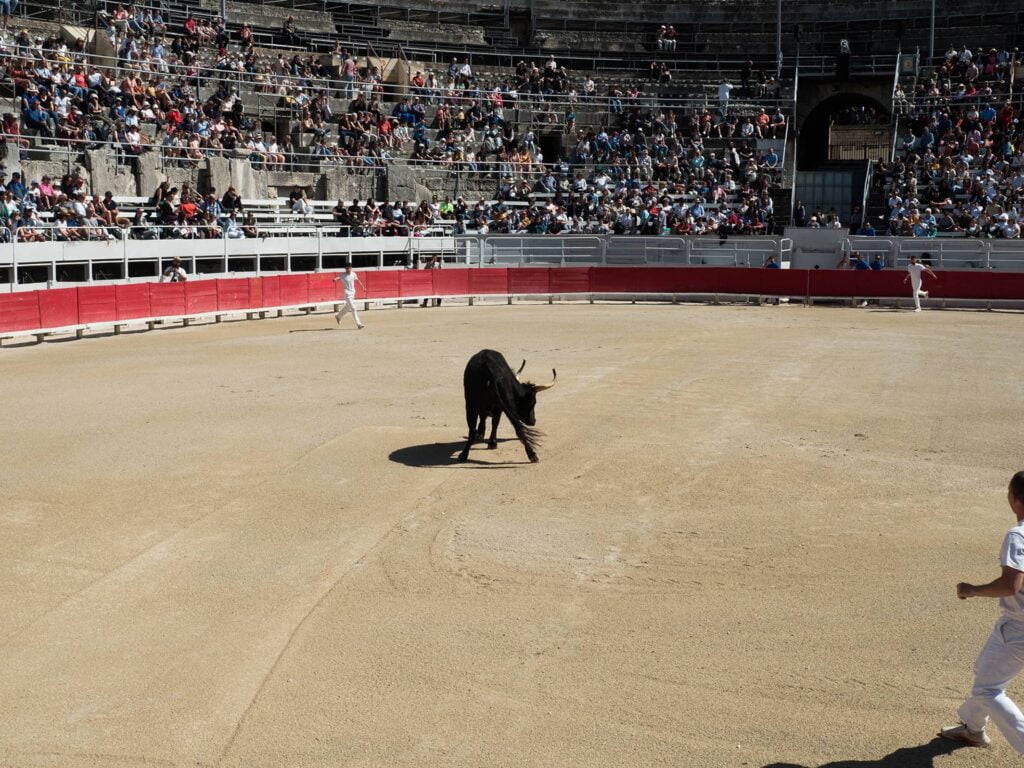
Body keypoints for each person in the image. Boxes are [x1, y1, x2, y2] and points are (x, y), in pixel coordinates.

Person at [940, 472, 1024, 753]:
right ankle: (973, 728)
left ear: (1014, 499)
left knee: (988, 689)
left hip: (1018, 630)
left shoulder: (1017, 535)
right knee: (984, 671)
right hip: (1013, 629)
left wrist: (972, 589)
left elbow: (1011, 585)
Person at [334, 263, 364, 329]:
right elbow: (339, 277)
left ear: (351, 268)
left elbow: (358, 280)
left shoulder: (353, 274)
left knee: (347, 307)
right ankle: (359, 324)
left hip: (353, 292)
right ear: (345, 269)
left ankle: (338, 316)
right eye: (347, 268)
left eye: (350, 268)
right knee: (353, 307)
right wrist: (335, 279)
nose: (349, 269)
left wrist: (363, 287)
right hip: (347, 293)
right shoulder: (343, 275)